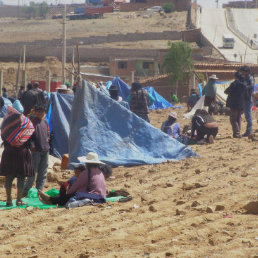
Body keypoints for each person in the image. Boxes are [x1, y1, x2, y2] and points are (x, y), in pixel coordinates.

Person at [38, 152, 112, 206]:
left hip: (94, 197)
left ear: (87, 163)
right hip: (102, 197)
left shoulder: (87, 172)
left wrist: (68, 194)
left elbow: (76, 186)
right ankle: (51, 200)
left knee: (72, 195)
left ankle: (51, 200)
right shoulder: (99, 172)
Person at [0, 105, 35, 206]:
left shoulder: (5, 121)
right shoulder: (26, 122)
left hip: (9, 152)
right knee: (21, 177)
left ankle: (9, 200)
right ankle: (19, 200)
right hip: (22, 152)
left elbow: (3, 135)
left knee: (9, 177)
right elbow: (30, 136)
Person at [23, 105, 50, 197]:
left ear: (44, 113)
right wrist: (32, 146)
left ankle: (39, 192)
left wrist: (47, 141)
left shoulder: (45, 122)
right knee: (32, 173)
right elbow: (28, 137)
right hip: (36, 151)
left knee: (43, 173)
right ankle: (25, 192)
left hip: (45, 150)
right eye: (38, 112)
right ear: (35, 112)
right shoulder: (32, 122)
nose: (40, 113)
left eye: (42, 112)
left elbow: (48, 134)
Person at [224, 72, 246, 138]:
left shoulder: (234, 84)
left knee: (233, 119)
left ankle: (237, 133)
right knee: (238, 118)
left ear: (236, 77)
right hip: (241, 104)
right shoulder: (243, 85)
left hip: (234, 104)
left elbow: (226, 91)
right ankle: (238, 133)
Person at [239, 66, 254, 137]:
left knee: (248, 115)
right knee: (246, 115)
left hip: (248, 98)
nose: (242, 73)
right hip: (244, 98)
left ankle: (249, 131)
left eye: (243, 71)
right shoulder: (244, 78)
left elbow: (251, 86)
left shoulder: (250, 78)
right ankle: (248, 131)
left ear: (247, 72)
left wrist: (244, 86)